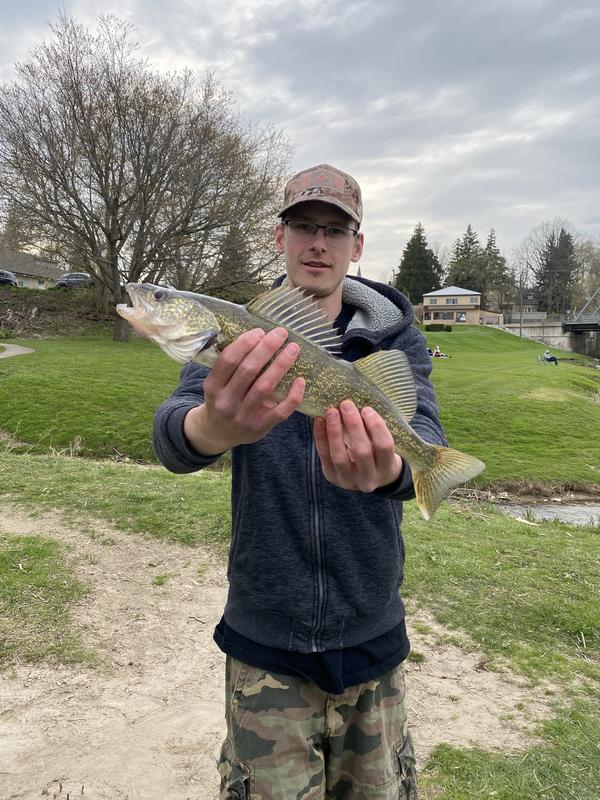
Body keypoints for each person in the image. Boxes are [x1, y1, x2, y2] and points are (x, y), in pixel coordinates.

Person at [153, 164, 447, 799]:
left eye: (335, 231)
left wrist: (396, 467)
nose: (319, 243)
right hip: (265, 638)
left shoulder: (396, 339)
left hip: (372, 632)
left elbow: (424, 430)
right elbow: (173, 436)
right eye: (304, 226)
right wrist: (214, 426)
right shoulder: (240, 339)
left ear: (357, 245)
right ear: (279, 237)